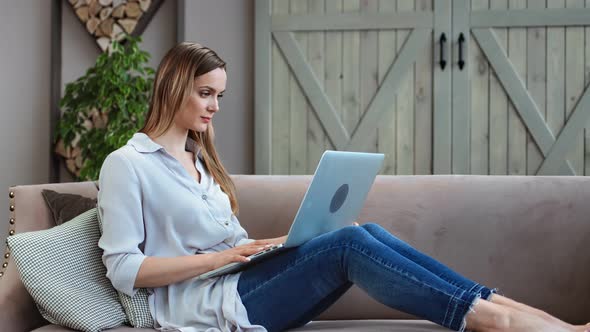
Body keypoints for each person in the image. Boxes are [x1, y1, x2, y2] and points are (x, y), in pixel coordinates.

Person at [97, 42, 589, 332]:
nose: (214, 107)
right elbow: (124, 269)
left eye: (219, 96)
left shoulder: (199, 161)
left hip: (241, 281)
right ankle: (493, 321)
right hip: (210, 308)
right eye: (206, 94)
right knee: (350, 244)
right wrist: (222, 258)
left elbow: (224, 241)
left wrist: (262, 248)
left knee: (359, 230)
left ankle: (537, 320)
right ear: (171, 87)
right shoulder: (128, 165)